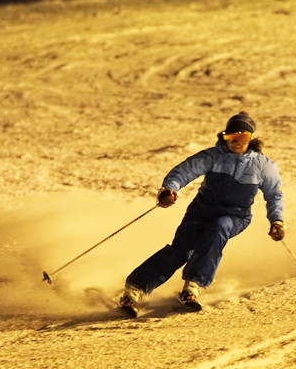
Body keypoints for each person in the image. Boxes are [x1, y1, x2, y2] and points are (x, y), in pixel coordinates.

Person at [117, 111, 285, 316]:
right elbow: (184, 171)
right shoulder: (213, 156)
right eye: (230, 137)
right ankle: (135, 289)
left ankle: (193, 285)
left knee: (219, 227)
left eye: (242, 137)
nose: (236, 142)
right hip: (201, 211)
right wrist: (170, 189)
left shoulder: (263, 165)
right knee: (181, 249)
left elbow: (274, 194)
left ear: (251, 139)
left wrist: (277, 220)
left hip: (236, 216)